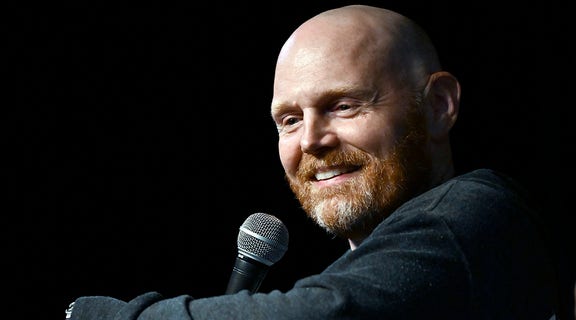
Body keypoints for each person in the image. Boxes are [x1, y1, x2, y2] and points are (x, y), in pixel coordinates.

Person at [65, 4, 572, 319]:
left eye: (344, 105)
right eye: (288, 119)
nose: (310, 140)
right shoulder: (382, 283)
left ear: (438, 106)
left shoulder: (480, 217)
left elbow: (331, 312)